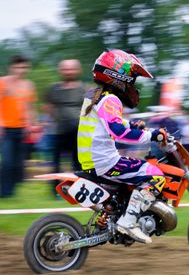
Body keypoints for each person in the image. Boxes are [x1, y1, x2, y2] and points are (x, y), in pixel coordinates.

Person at [77, 49, 168, 243]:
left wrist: (132, 126)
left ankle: (119, 213)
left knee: (136, 168)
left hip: (92, 161)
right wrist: (152, 135)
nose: (132, 85)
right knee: (155, 174)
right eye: (131, 79)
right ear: (119, 76)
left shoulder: (95, 96)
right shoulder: (111, 99)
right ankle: (128, 221)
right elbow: (118, 132)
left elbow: (108, 125)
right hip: (105, 162)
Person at [45, 59, 85, 193]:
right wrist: (55, 119)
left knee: (78, 163)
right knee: (56, 162)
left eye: (72, 69)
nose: (69, 71)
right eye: (65, 69)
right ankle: (55, 191)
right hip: (58, 131)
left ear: (78, 70)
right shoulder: (53, 88)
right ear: (60, 71)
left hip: (78, 131)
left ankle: (78, 190)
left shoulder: (84, 88)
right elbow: (48, 106)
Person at [0, 55, 38, 198]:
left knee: (18, 164)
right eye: (17, 67)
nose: (20, 70)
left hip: (22, 129)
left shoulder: (29, 85)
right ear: (11, 68)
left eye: (23, 67)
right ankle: (4, 193)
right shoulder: (2, 82)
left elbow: (29, 107)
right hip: (6, 129)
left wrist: (33, 125)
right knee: (7, 162)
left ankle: (11, 190)